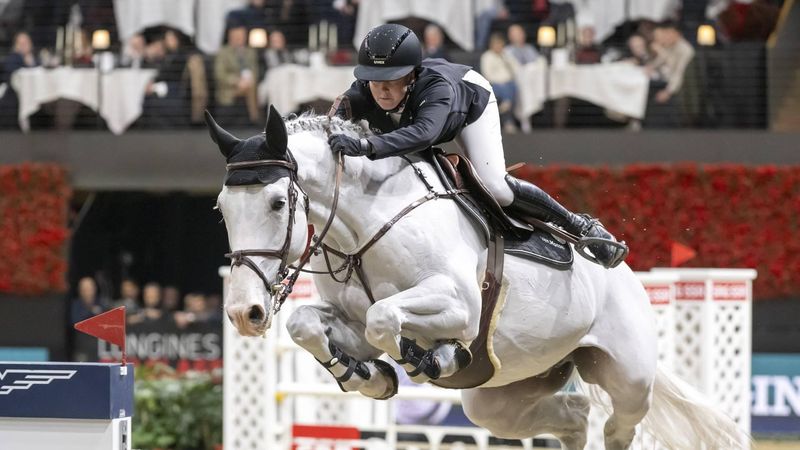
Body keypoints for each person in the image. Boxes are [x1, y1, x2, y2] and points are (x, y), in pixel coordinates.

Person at [328, 24, 627, 268]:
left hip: (471, 103)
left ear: (411, 74)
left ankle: (580, 225)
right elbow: (334, 120)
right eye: (373, 79)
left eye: (391, 79)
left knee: (495, 185)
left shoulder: (437, 89)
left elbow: (423, 134)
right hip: (425, 123)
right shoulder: (362, 91)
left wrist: (365, 146)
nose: (381, 89)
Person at [214, 25, 260, 126]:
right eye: (236, 36)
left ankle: (254, 119)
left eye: (241, 36)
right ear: (230, 37)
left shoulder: (250, 52)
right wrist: (237, 81)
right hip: (229, 88)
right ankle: (254, 117)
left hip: (248, 86)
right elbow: (219, 74)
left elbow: (255, 71)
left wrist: (247, 81)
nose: (239, 38)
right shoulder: (223, 52)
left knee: (251, 87)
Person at [480, 32, 519, 133]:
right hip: (494, 84)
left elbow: (516, 69)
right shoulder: (486, 56)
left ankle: (506, 105)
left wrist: (506, 60)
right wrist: (501, 81)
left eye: (500, 44)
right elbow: (487, 74)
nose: (498, 47)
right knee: (503, 88)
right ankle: (508, 116)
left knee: (512, 86)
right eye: (496, 44)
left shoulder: (506, 55)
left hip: (508, 83)